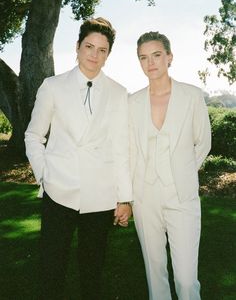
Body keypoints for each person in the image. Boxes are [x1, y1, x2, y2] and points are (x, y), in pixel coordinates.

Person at [25, 17, 132, 300]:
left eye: (102, 50)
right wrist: (45, 176)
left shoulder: (119, 94)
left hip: (100, 196)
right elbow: (33, 136)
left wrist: (125, 198)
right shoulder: (52, 86)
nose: (94, 55)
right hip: (59, 192)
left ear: (108, 54)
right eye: (89, 46)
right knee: (51, 270)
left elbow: (121, 148)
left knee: (92, 273)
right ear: (77, 47)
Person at [129, 31, 211, 300]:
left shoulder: (192, 96)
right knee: (155, 277)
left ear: (169, 57)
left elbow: (203, 143)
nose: (150, 63)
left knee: (187, 281)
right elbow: (128, 150)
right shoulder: (132, 102)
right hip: (144, 197)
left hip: (182, 197)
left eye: (156, 55)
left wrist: (182, 172)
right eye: (143, 57)